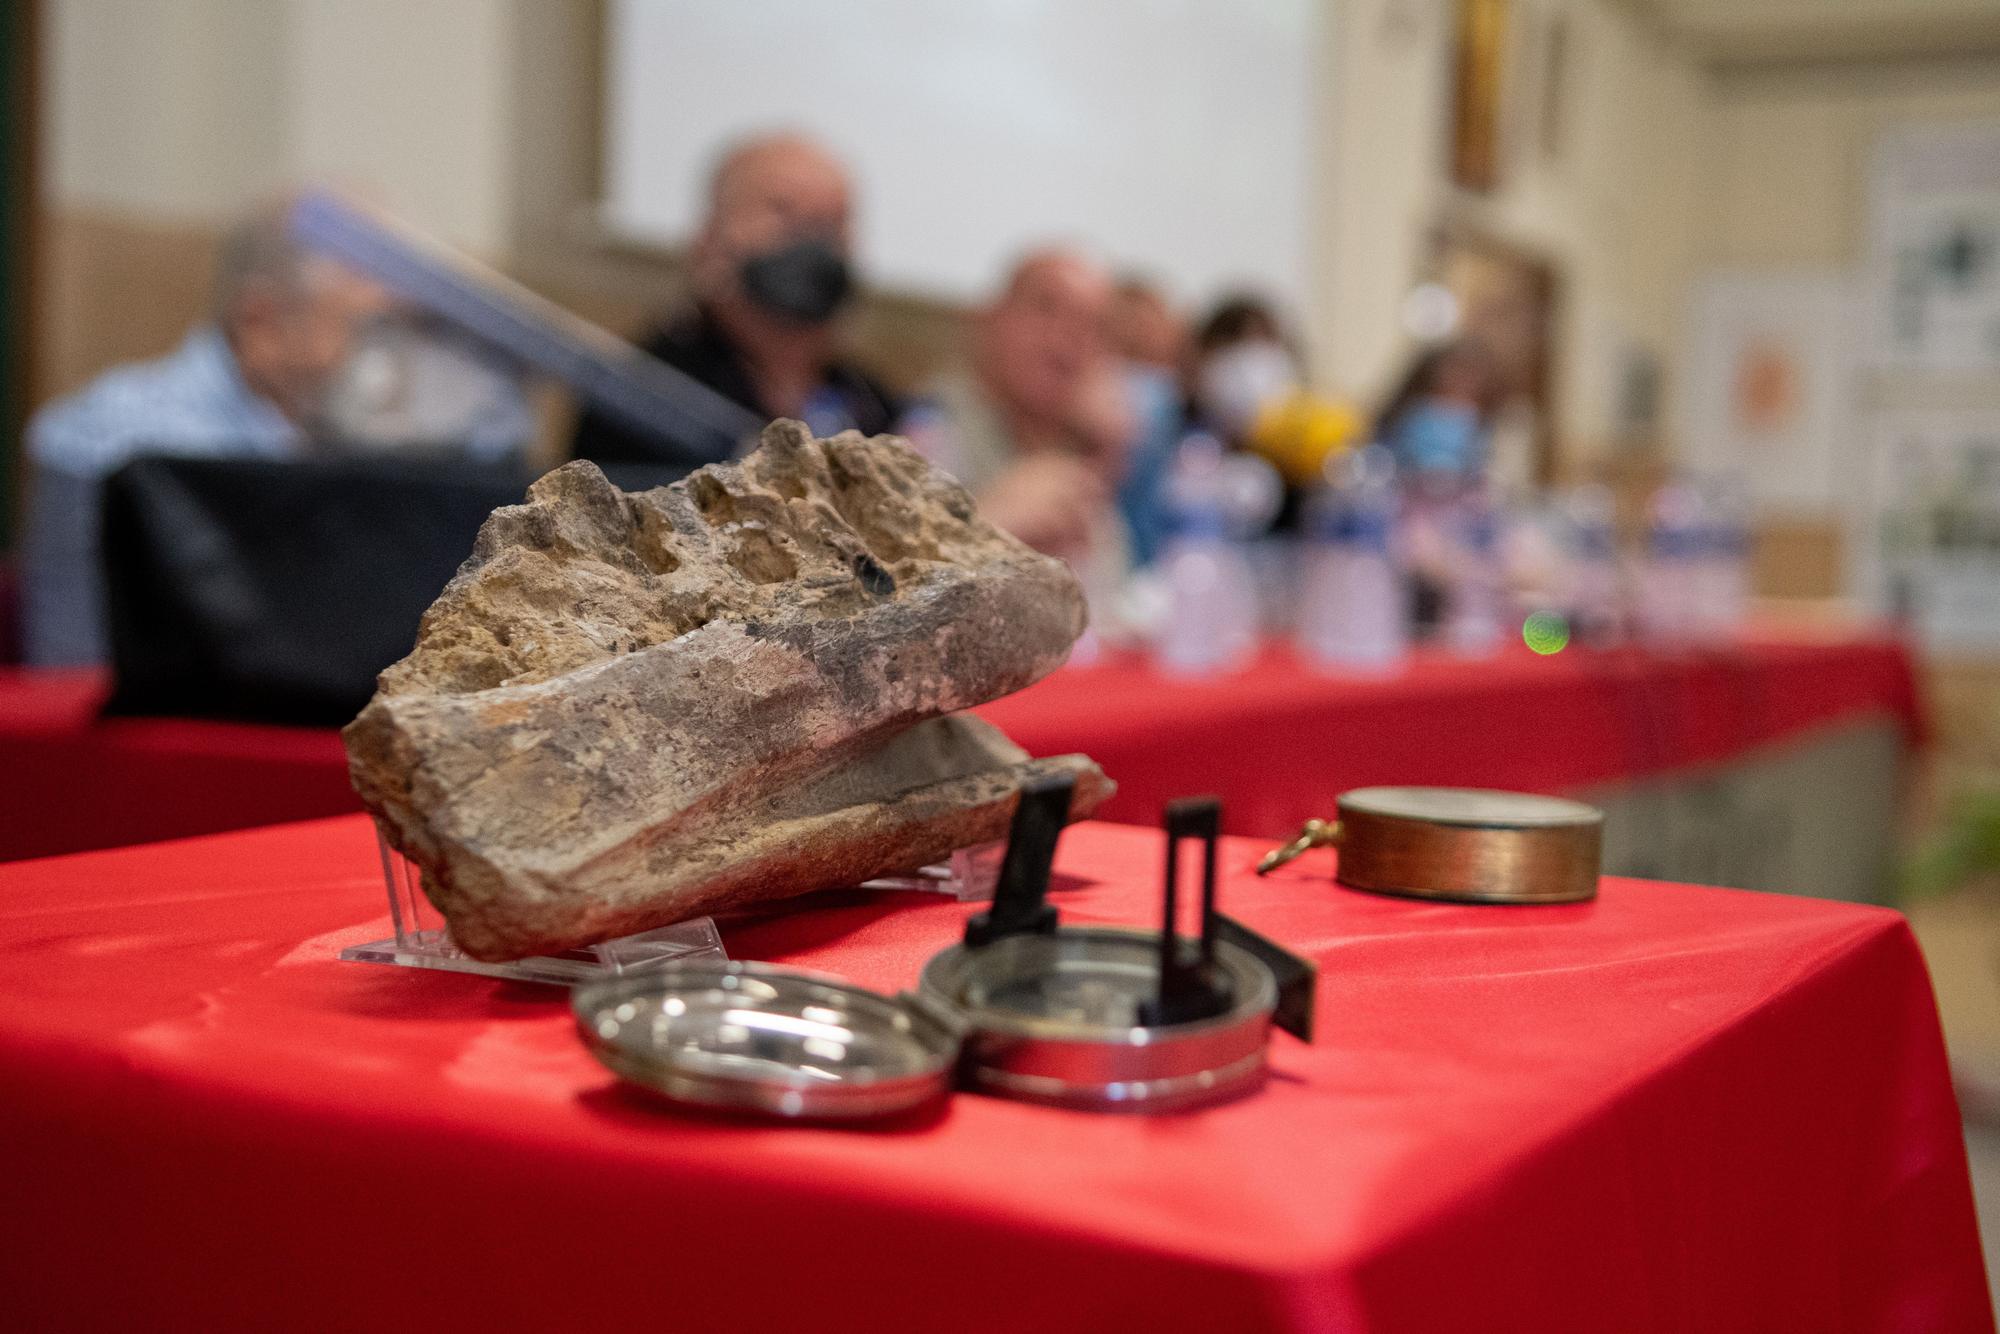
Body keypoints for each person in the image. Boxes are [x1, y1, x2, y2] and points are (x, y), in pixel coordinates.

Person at [19, 204, 531, 667]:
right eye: (370, 330)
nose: (389, 367)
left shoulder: (326, 432)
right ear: (261, 321)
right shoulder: (118, 437)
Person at [569, 133, 898, 465]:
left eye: (833, 220)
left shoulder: (874, 407)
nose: (813, 238)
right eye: (783, 211)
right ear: (711, 233)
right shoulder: (642, 395)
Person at [903, 249, 1134, 594]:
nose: (1067, 337)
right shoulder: (925, 431)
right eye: (1047, 308)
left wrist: (1107, 458)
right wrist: (987, 527)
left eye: (1093, 326)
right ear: (991, 317)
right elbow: (882, 603)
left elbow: (1111, 603)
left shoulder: (1086, 454)